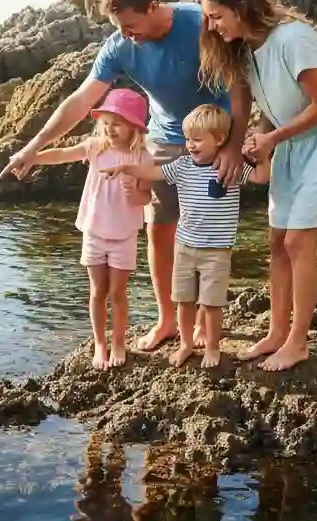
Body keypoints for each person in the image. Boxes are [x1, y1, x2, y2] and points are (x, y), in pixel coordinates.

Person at [1, 0, 251, 353]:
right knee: (159, 228)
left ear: (154, 7)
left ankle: (203, 317)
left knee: (206, 230)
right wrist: (33, 147)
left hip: (213, 138)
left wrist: (233, 145)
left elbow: (238, 83)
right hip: (166, 140)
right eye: (120, 27)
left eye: (131, 25)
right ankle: (168, 319)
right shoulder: (119, 46)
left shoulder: (198, 22)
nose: (127, 34)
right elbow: (82, 101)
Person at [198, 0, 317, 372]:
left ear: (241, 8)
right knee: (276, 242)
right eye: (207, 17)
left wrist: (272, 139)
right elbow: (271, 109)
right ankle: (276, 332)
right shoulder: (246, 51)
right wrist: (257, 140)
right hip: (292, 145)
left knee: (297, 243)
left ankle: (298, 341)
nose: (211, 25)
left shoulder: (294, 38)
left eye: (216, 16)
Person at [103, 104, 271, 368]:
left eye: (196, 140)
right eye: (187, 139)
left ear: (219, 139)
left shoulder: (230, 166)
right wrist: (125, 167)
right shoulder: (181, 165)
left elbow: (261, 177)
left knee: (212, 303)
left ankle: (213, 347)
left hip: (216, 249)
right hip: (184, 246)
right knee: (183, 299)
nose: (189, 145)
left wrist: (262, 154)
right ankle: (185, 344)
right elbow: (152, 172)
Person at [28, 88, 153, 370]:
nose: (110, 129)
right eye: (106, 123)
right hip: (94, 232)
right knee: (97, 291)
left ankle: (119, 341)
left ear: (135, 127)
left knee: (118, 293)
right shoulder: (95, 147)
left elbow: (146, 197)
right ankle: (100, 343)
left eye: (118, 123)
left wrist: (134, 193)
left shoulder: (142, 158)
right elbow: (61, 154)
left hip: (124, 235)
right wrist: (32, 157)